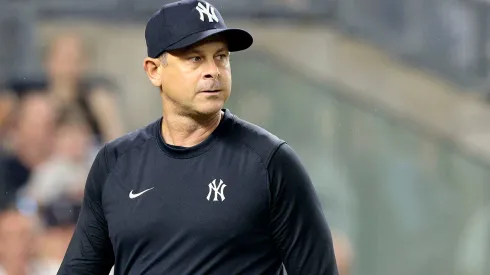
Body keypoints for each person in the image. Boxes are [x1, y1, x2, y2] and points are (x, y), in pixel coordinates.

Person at [58, 0, 339, 274]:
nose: (213, 71)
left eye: (221, 57)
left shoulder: (269, 162)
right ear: (154, 71)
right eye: (195, 58)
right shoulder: (115, 163)